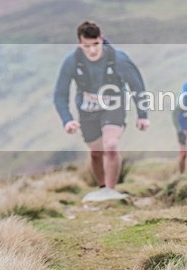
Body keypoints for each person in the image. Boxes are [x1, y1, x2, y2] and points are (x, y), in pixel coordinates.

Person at [53, 20, 150, 190]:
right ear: (79, 44)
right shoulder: (71, 61)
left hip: (114, 106)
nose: (92, 50)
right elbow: (60, 94)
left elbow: (137, 87)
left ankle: (111, 192)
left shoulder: (119, 59)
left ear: (101, 39)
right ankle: (102, 186)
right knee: (96, 153)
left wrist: (143, 115)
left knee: (111, 144)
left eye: (96, 44)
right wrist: (67, 120)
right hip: (87, 110)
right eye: (86, 46)